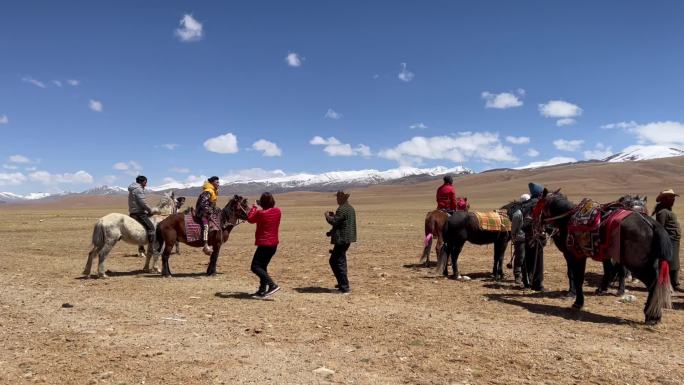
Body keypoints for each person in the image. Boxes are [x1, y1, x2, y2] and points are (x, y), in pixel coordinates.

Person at [247, 192, 282, 298]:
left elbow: (250, 219)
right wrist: (262, 206)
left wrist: (254, 207)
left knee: (255, 266)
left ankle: (272, 285)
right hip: (273, 245)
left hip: (264, 244)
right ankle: (262, 291)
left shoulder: (260, 213)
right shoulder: (278, 211)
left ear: (262, 202)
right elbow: (269, 211)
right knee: (262, 267)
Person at [325, 190, 357, 294]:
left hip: (342, 240)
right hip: (346, 238)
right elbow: (342, 223)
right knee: (337, 261)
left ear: (342, 198)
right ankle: (342, 283)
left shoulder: (342, 209)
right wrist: (331, 232)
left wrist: (327, 216)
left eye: (338, 198)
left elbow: (334, 221)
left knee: (338, 262)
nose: (337, 199)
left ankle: (344, 287)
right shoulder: (349, 208)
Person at [654, 189, 681, 291]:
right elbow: (660, 228)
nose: (673, 200)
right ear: (664, 199)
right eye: (671, 198)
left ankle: (674, 283)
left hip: (674, 240)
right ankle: (671, 284)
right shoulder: (663, 212)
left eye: (674, 198)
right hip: (669, 241)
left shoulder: (667, 210)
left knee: (675, 263)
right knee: (671, 263)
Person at [522, 182, 545, 291]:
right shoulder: (538, 204)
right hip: (536, 236)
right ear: (540, 193)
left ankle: (529, 281)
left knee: (529, 259)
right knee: (538, 261)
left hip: (527, 236)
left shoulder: (526, 204)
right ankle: (537, 285)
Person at [128, 175, 155, 248]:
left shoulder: (133, 189)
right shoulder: (138, 189)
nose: (146, 184)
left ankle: (141, 249)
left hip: (133, 212)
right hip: (139, 213)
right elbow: (142, 203)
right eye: (145, 182)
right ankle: (151, 248)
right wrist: (150, 210)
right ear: (141, 182)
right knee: (152, 228)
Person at [196, 176, 220, 255]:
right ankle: (205, 245)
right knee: (206, 226)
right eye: (217, 182)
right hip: (203, 212)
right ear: (212, 183)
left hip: (209, 212)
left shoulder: (213, 191)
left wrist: (215, 209)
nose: (218, 184)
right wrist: (209, 211)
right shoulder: (208, 191)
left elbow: (211, 204)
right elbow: (203, 203)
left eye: (218, 182)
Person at [510, 193, 531, 285]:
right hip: (520, 238)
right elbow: (514, 228)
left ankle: (526, 276)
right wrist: (514, 237)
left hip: (529, 238)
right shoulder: (518, 214)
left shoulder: (529, 213)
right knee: (520, 257)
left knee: (526, 257)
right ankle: (517, 275)